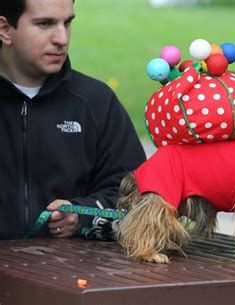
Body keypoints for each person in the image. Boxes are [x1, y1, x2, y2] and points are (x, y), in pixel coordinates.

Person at [0, 0, 146, 240]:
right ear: (5, 29)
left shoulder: (96, 101)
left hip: (74, 272)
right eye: (45, 24)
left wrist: (81, 217)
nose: (62, 38)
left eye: (67, 23)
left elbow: (136, 194)